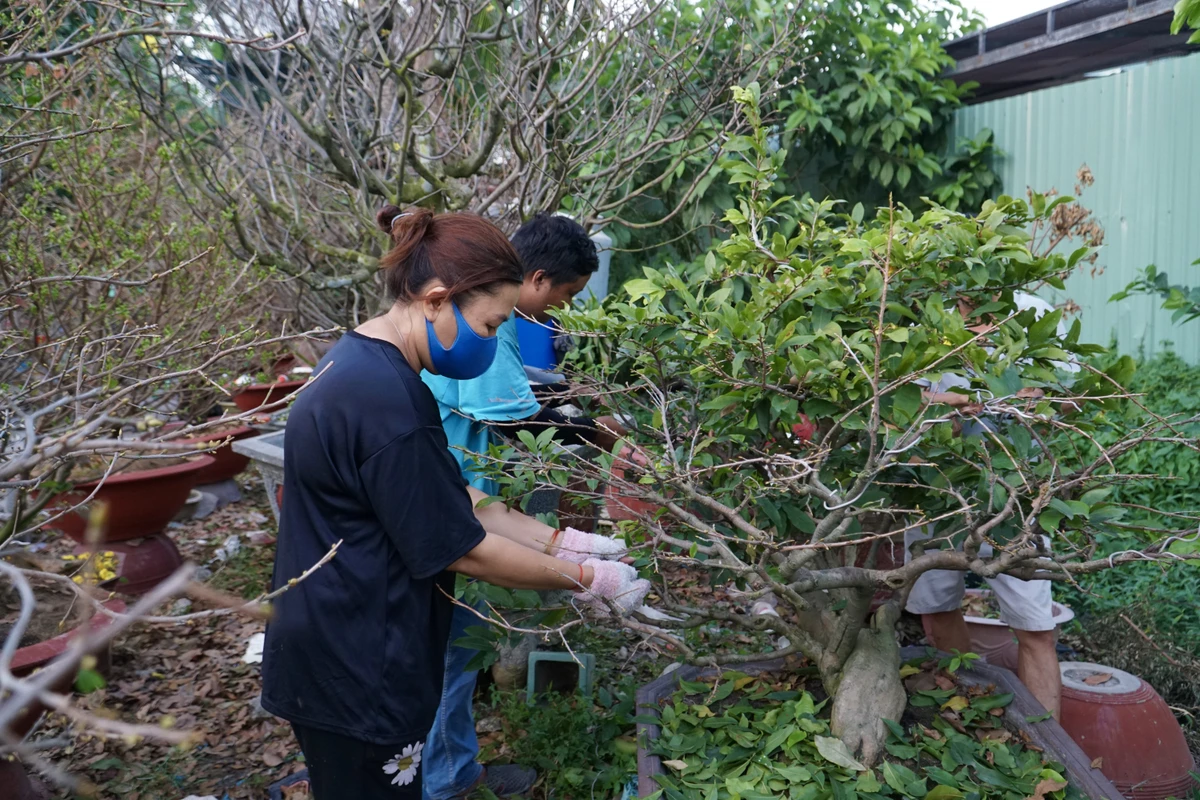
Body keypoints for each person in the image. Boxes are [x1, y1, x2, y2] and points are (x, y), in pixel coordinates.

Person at [261, 207, 651, 800]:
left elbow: (450, 494)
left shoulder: (363, 363)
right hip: (357, 665)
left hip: (340, 643)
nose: (491, 344)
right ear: (438, 300)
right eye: (491, 326)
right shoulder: (385, 402)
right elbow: (461, 549)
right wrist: (589, 579)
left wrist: (561, 541)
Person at [419, 213, 630, 800]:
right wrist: (600, 433)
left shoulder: (493, 321)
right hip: (451, 506)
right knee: (450, 654)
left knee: (455, 651)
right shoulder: (488, 325)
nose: (564, 307)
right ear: (536, 278)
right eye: (567, 293)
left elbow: (522, 393)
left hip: (470, 497)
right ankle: (446, 782)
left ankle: (452, 769)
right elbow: (520, 419)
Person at [909, 290, 1078, 720]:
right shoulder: (929, 315)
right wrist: (952, 405)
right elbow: (898, 398)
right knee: (937, 610)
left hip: (1016, 495)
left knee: (1036, 626)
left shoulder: (1034, 311)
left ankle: (1048, 745)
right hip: (938, 493)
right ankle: (971, 715)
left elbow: (1073, 396)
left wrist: (1039, 395)